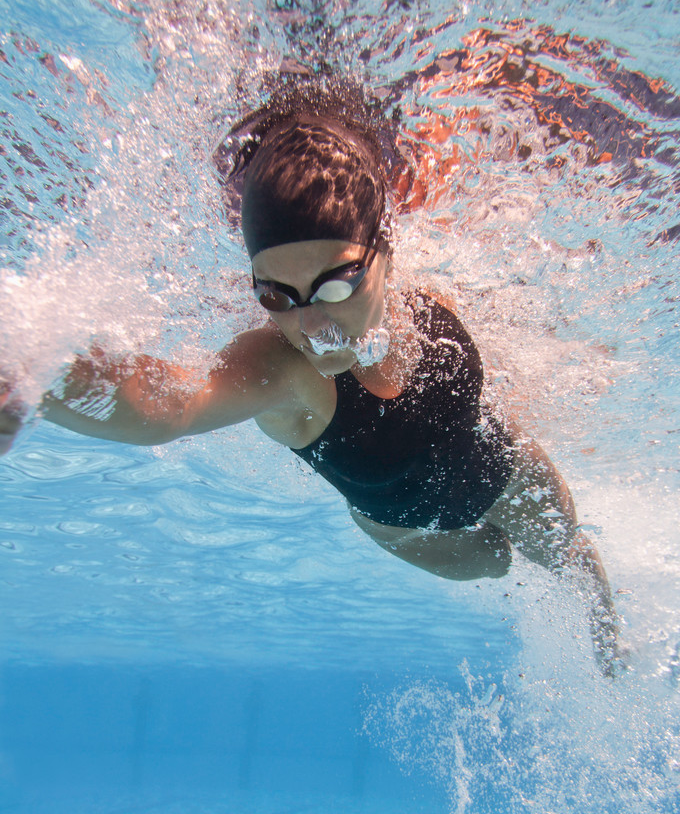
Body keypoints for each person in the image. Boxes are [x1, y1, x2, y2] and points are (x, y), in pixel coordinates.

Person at [0, 77, 623, 674]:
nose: (311, 321)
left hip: (502, 465)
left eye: (333, 283)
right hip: (410, 529)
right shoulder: (287, 373)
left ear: (387, 252)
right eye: (276, 296)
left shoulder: (427, 297)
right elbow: (165, 405)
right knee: (492, 563)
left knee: (572, 554)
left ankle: (611, 654)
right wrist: (33, 368)